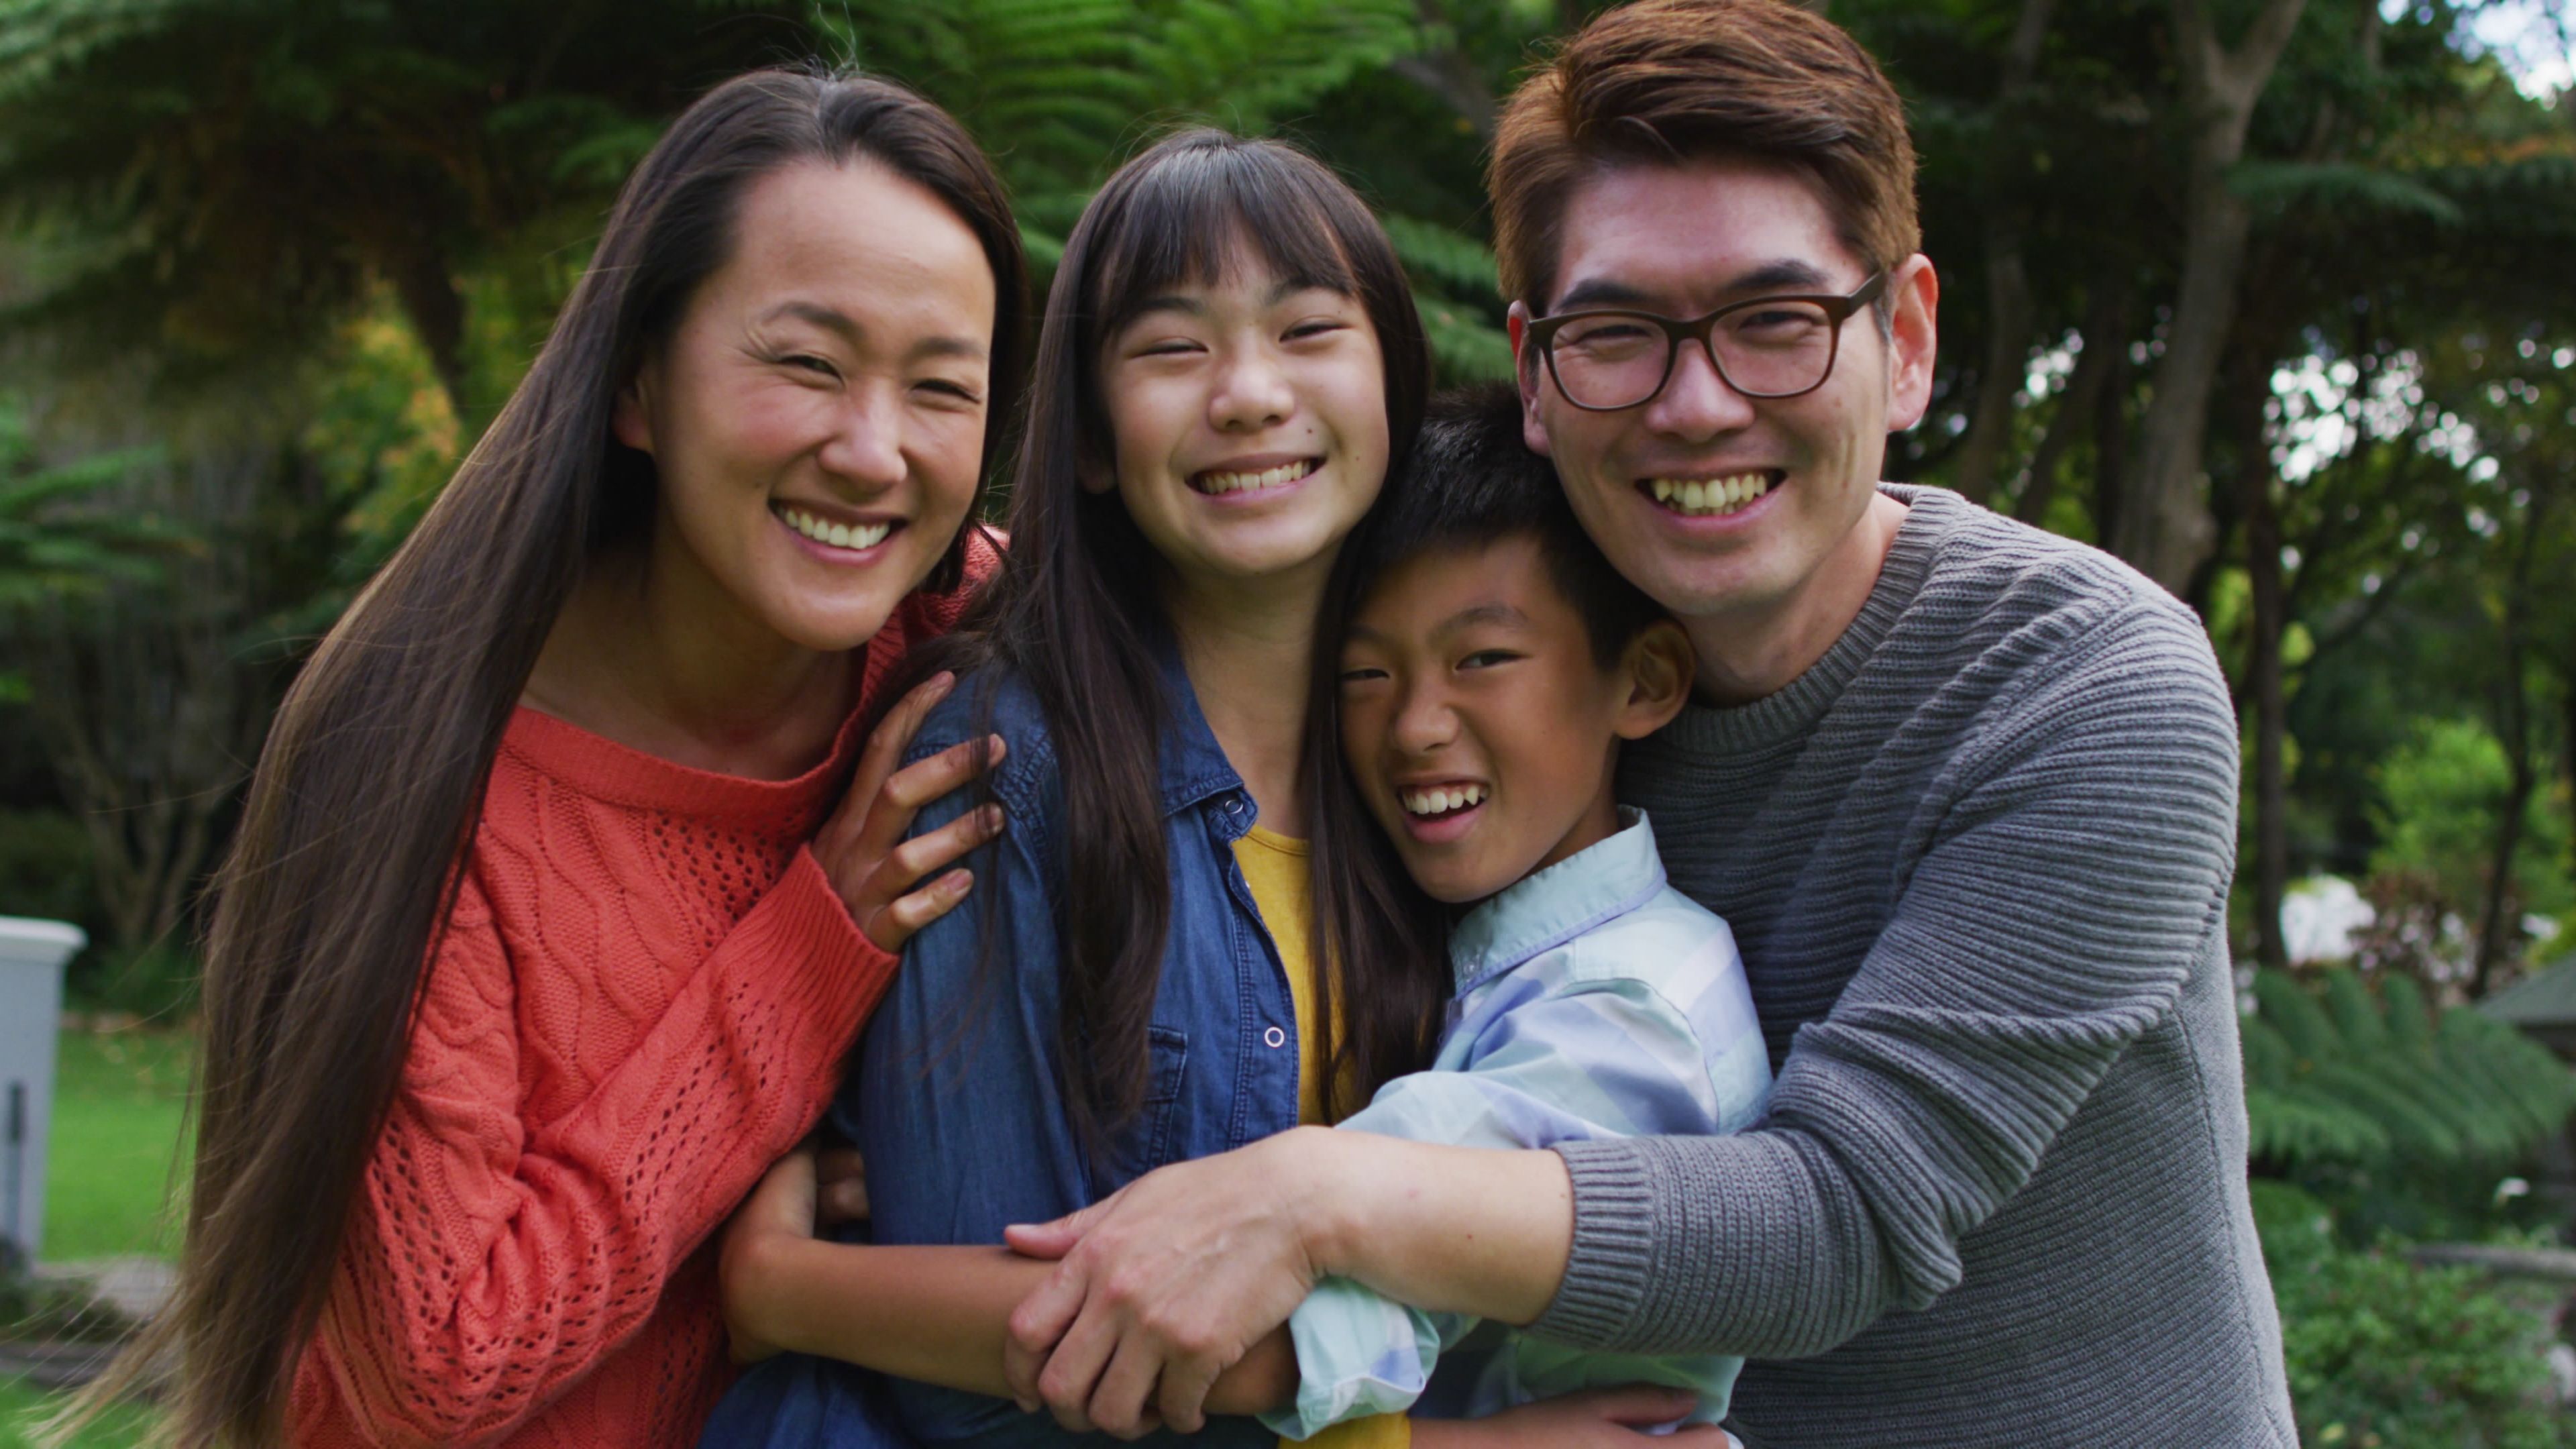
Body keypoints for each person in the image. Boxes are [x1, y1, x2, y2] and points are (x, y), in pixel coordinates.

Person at [989, 3, 2300, 1445]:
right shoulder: (1518, 674)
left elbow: (1840, 1217)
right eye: (1617, 334)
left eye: (1776, 323)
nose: (1696, 403)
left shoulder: (2087, 688)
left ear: (1907, 339)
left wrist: (1308, 1197)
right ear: (1537, 371)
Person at [705, 129, 1730, 1449]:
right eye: (1173, 348)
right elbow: (972, 1397)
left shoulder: (1434, 796)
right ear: (1089, 439)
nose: (1247, 394)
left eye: (1308, 331)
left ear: (1390, 386)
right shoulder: (1006, 765)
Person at [54, 69, 1030, 1449]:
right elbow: (443, 1365)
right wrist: (816, 953)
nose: (872, 452)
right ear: (638, 381)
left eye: (941, 388)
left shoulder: (962, 638)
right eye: (806, 363)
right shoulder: (417, 771)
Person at [1265, 384, 1768, 1442]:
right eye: (1364, 672)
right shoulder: (1488, 955)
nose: (1414, 726)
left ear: (1644, 679)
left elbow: (1260, 1329)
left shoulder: (1617, 1016)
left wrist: (823, 1289)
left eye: (1482, 660)